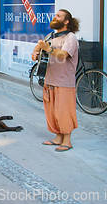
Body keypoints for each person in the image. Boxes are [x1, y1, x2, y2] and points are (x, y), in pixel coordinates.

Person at [31, 9, 80, 152]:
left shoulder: (70, 37)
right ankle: (58, 137)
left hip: (64, 82)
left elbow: (63, 54)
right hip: (50, 80)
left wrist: (49, 49)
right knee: (53, 112)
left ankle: (67, 141)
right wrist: (35, 52)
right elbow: (39, 47)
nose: (54, 17)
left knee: (64, 112)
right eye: (55, 15)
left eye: (58, 16)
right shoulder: (51, 36)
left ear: (66, 21)